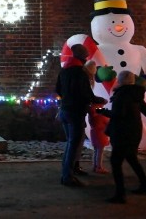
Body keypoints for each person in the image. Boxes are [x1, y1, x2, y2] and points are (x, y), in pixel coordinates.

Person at [96, 70, 146, 204]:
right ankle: (145, 184)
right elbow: (144, 108)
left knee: (116, 162)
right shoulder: (135, 93)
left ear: (121, 80)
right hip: (134, 131)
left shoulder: (122, 94)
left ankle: (120, 193)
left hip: (122, 132)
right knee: (131, 158)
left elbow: (118, 114)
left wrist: (102, 111)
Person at [55, 43, 95, 186]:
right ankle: (67, 176)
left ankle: (68, 170)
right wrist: (95, 100)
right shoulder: (80, 72)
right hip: (76, 111)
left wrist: (67, 98)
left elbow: (58, 89)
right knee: (75, 143)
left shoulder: (64, 70)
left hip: (65, 109)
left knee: (71, 142)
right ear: (84, 56)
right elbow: (85, 92)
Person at [89, 95, 110, 173]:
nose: (103, 106)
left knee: (96, 150)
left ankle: (95, 166)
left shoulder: (92, 113)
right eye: (102, 105)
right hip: (101, 133)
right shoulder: (100, 115)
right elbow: (107, 121)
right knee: (100, 151)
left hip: (94, 132)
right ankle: (99, 167)